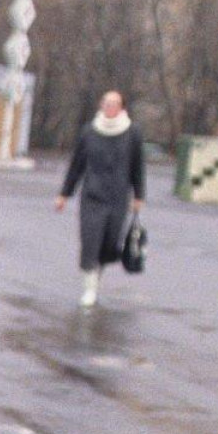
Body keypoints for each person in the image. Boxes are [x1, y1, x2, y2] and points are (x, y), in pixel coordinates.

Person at [55, 89, 146, 308]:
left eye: (114, 103)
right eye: (105, 103)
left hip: (118, 198)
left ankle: (96, 278)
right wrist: (64, 194)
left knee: (109, 244)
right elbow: (76, 165)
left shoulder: (132, 133)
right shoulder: (89, 132)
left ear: (122, 108)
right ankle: (89, 289)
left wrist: (139, 195)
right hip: (92, 197)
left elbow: (138, 166)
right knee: (90, 242)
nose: (108, 107)